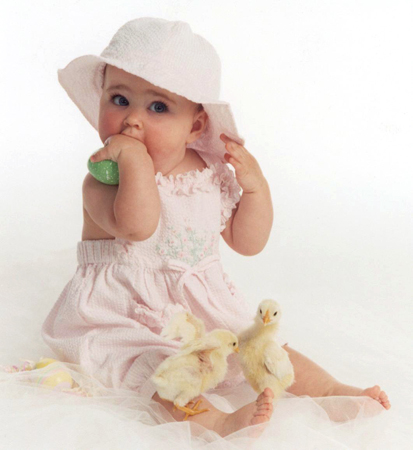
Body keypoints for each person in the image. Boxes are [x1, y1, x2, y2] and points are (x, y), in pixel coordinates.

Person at [41, 17, 390, 438]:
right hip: (123, 314)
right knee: (158, 369)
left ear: (196, 125)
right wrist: (134, 161)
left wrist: (256, 191)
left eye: (157, 107)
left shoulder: (207, 175)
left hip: (198, 308)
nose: (132, 120)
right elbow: (138, 228)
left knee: (259, 347)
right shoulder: (102, 177)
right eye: (118, 99)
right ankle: (215, 421)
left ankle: (331, 390)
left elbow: (247, 242)